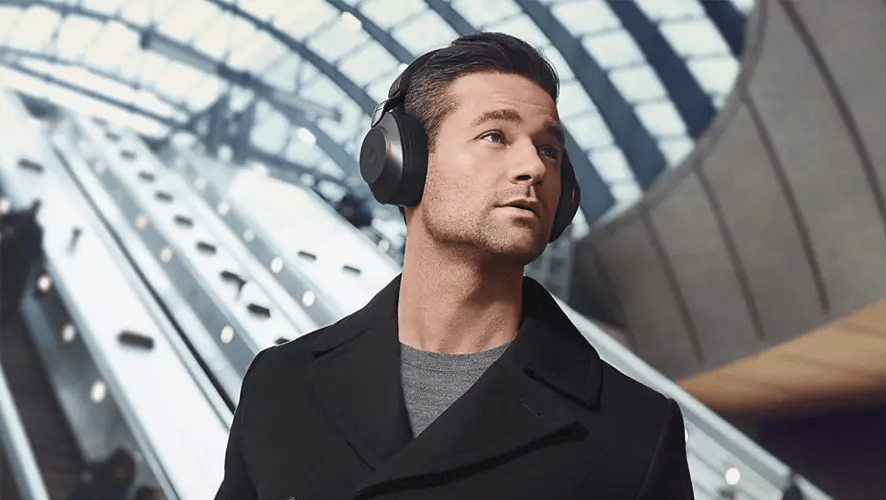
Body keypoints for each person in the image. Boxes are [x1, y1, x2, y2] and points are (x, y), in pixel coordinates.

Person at [215, 32, 694, 499]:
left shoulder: (636, 430)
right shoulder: (281, 385)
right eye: (495, 136)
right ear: (403, 161)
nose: (534, 166)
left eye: (549, 149)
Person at [64, 447, 136, 500]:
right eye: (120, 468)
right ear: (114, 465)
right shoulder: (95, 471)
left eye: (124, 471)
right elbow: (77, 490)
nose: (120, 473)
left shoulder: (123, 490)